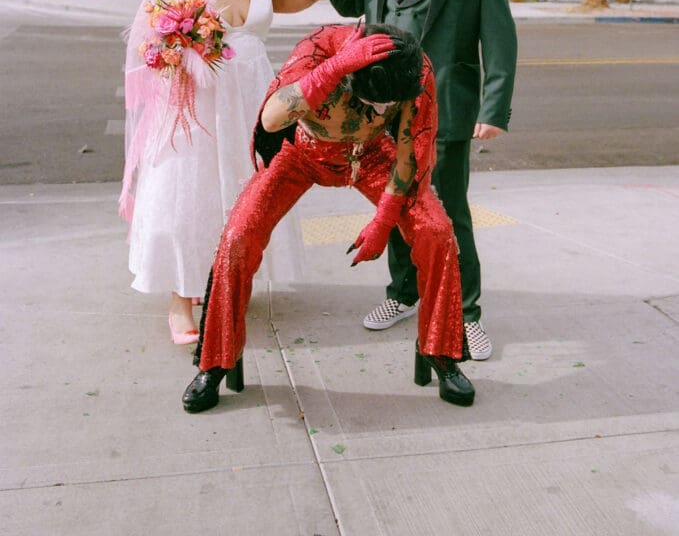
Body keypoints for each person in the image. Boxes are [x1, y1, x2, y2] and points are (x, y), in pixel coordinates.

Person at [182, 23, 474, 413]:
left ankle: (442, 352)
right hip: (300, 153)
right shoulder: (318, 49)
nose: (382, 111)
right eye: (374, 103)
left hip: (370, 156)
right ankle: (215, 362)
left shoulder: (414, 69)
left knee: (436, 232)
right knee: (238, 236)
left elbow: (410, 150)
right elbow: (271, 119)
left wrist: (383, 222)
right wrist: (333, 69)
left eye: (388, 106)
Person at [312, 0, 517, 361]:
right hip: (384, 110)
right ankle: (404, 293)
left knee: (448, 213)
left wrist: (493, 109)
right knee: (398, 205)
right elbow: (348, 2)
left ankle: (467, 314)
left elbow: (501, 42)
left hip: (445, 108)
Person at [120, 0, 324, 345]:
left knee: (242, 197)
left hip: (252, 105)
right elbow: (145, 43)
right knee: (186, 200)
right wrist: (174, 51)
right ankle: (181, 299)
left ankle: (227, 282)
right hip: (195, 110)